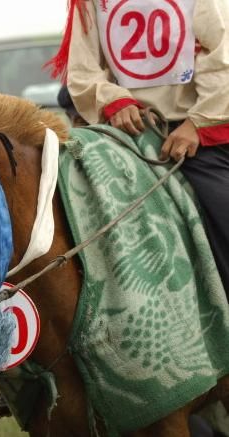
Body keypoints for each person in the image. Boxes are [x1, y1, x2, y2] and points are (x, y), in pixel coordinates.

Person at [49, 0, 229, 293]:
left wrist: (198, 123)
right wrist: (113, 100)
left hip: (195, 134)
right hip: (123, 130)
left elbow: (223, 56)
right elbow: (82, 70)